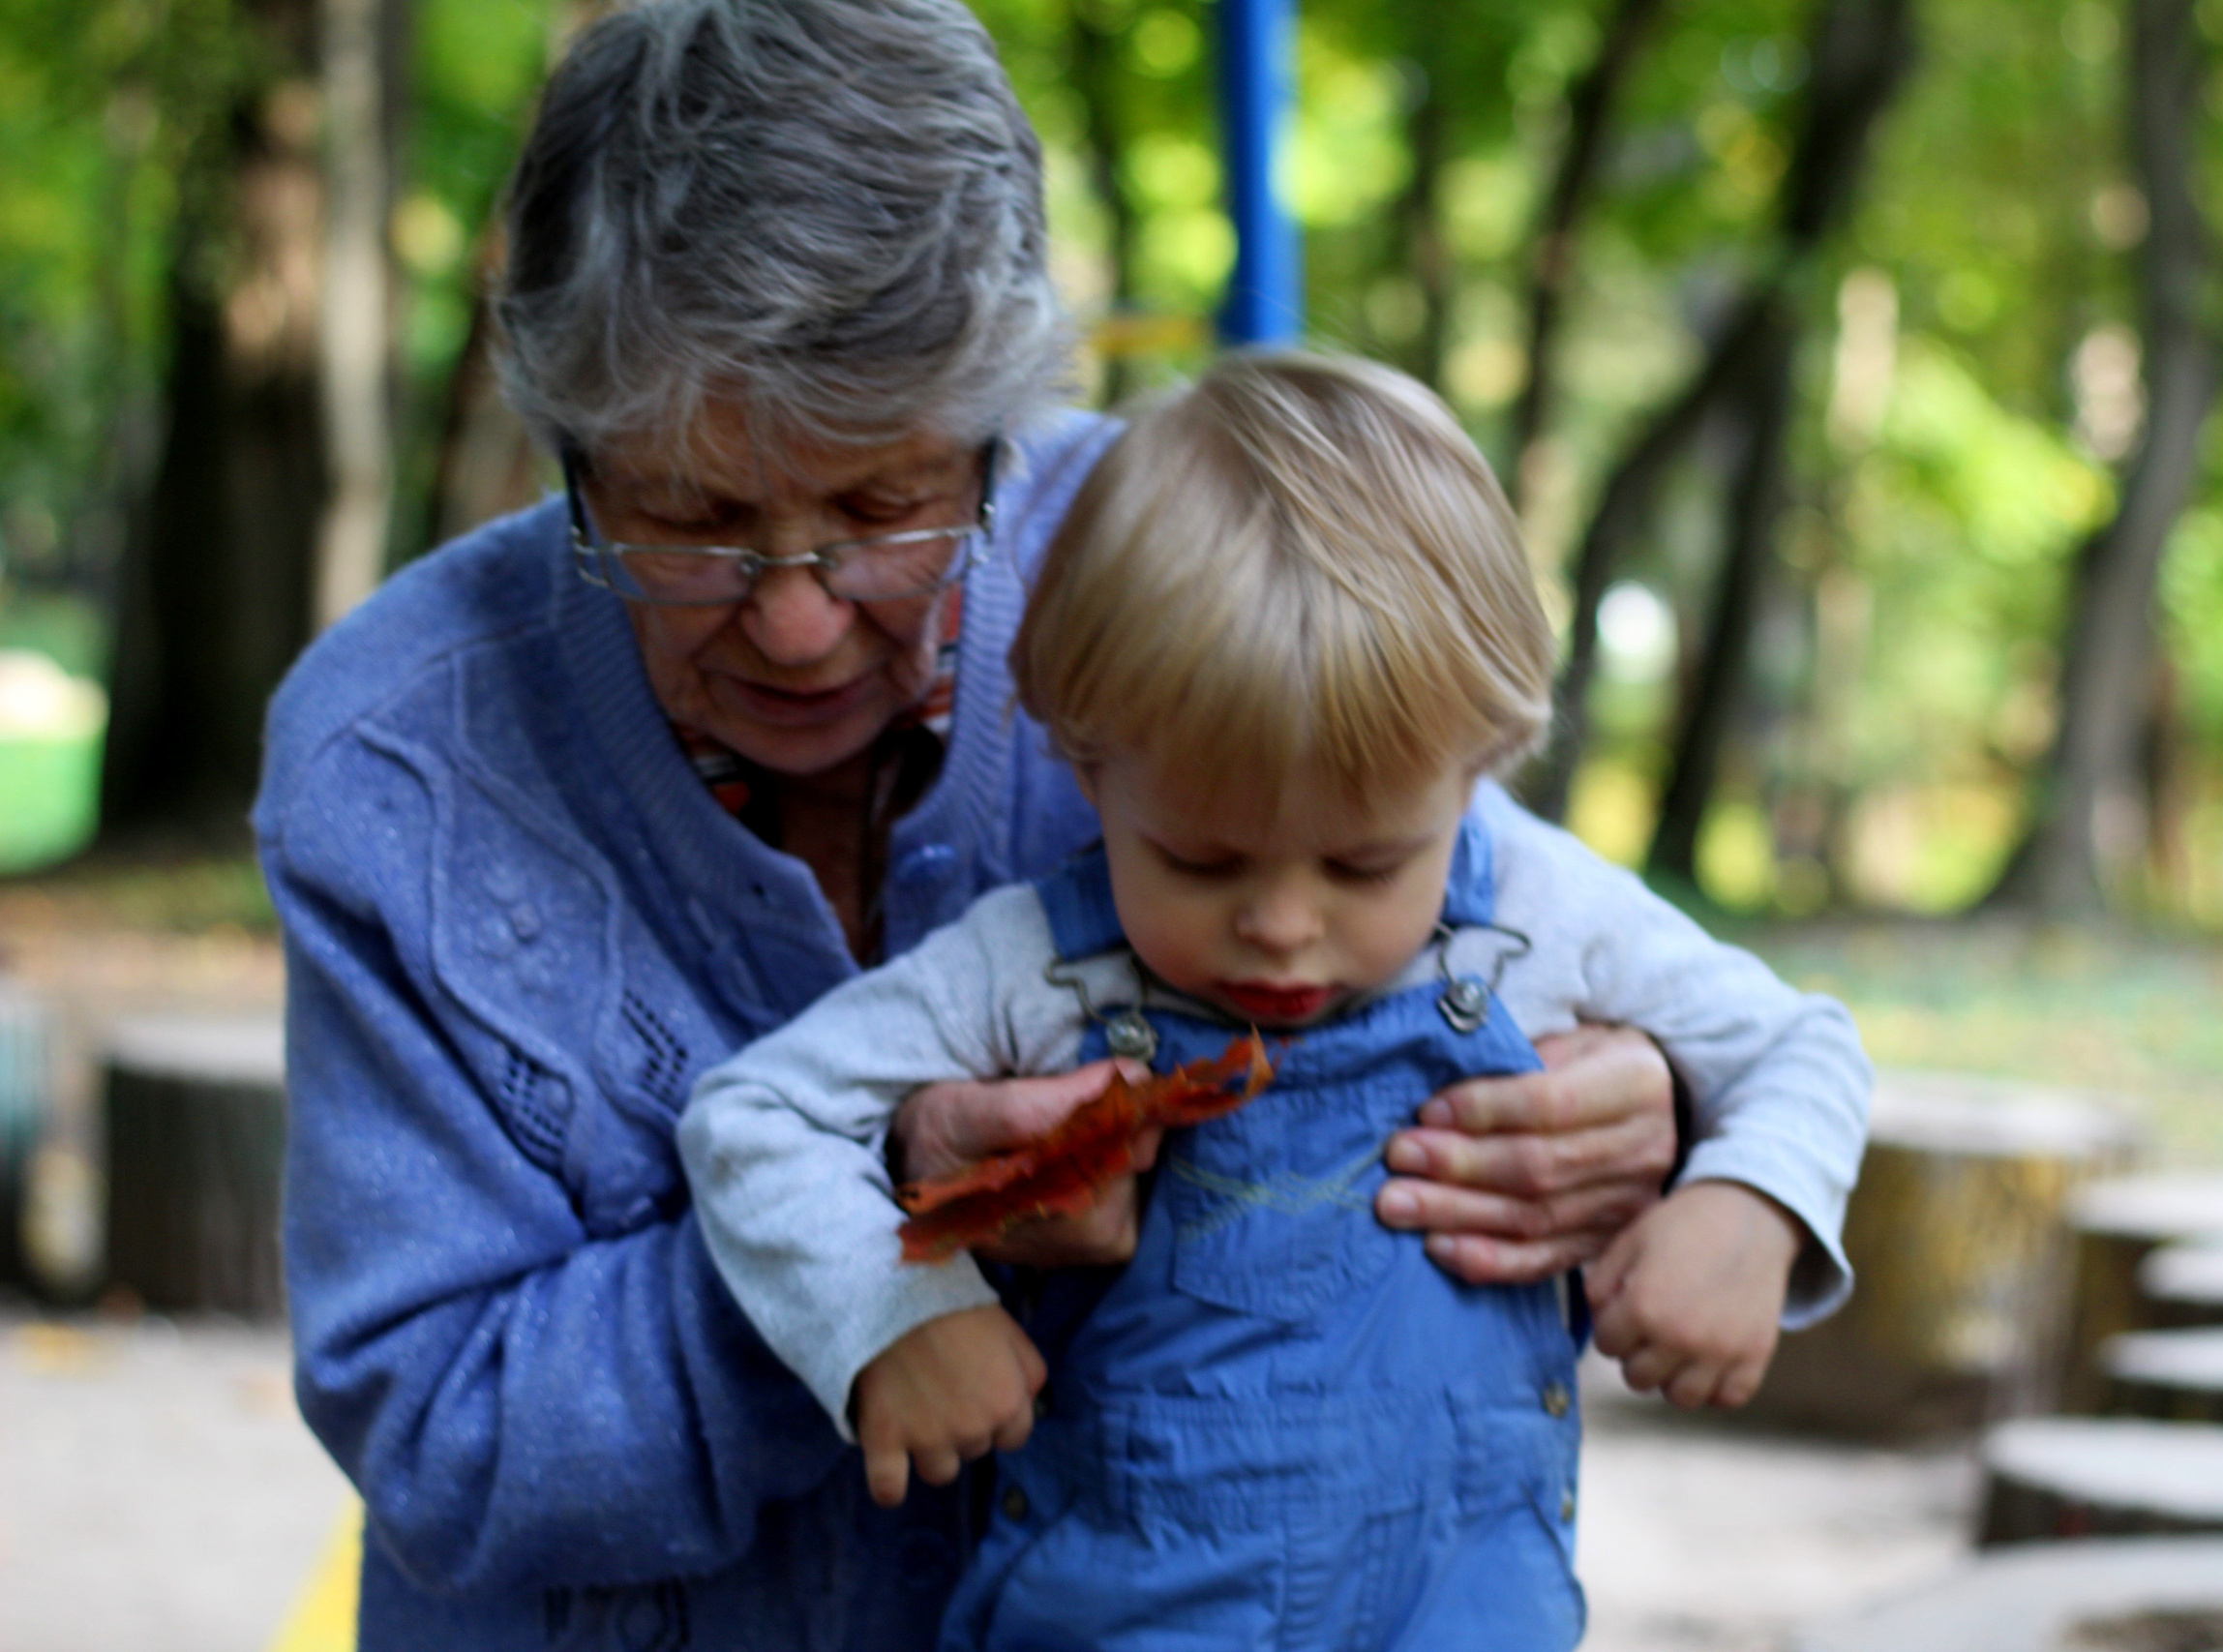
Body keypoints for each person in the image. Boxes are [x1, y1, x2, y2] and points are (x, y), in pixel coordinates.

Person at [255, 3, 1689, 1647]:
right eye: (694, 519)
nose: (798, 624)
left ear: (1008, 428)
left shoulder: (1186, 563)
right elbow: (439, 1431)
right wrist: (878, 1251)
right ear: (568, 454)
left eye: (884, 505)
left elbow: (1464, 906)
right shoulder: (397, 758)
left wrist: (1660, 1102)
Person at [678, 353, 1872, 1650]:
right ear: (1086, 761)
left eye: (1366, 864)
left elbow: (1800, 1048)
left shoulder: (1536, 904)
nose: (1284, 926)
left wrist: (1752, 1204)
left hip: (1462, 1615)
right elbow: (754, 1118)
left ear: (1478, 769)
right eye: (1200, 860)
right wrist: (893, 1311)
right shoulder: (1041, 963)